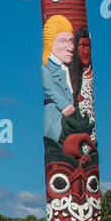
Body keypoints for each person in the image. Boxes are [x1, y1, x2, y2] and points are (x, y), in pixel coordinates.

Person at [42, 15, 76, 145]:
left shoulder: (67, 69)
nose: (70, 47)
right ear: (50, 43)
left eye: (71, 41)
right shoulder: (47, 68)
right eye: (63, 41)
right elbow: (49, 88)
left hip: (72, 124)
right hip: (57, 123)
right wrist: (63, 105)